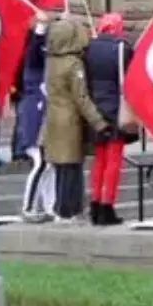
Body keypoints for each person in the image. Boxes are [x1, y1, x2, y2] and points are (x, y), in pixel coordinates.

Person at [44, 16, 111, 222]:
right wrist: (99, 122)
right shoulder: (74, 65)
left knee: (61, 167)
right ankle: (68, 209)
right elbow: (81, 98)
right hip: (70, 122)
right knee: (72, 168)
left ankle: (62, 208)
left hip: (53, 119)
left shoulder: (52, 61)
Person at [84, 12, 138, 225]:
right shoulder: (123, 48)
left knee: (99, 160)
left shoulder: (89, 47)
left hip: (95, 110)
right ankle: (107, 206)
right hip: (116, 109)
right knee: (113, 160)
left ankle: (95, 204)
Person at [14, 12, 55, 222]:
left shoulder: (44, 69)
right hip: (34, 119)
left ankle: (49, 207)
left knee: (48, 165)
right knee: (40, 164)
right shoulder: (32, 66)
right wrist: (41, 27)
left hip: (44, 121)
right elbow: (35, 51)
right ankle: (28, 207)